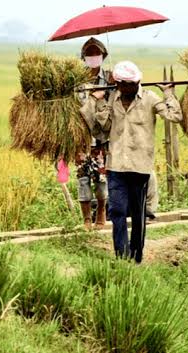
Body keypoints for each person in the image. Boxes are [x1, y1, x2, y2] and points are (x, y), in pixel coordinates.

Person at [81, 61, 182, 263]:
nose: (130, 88)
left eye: (134, 83)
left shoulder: (150, 99)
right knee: (116, 211)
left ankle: (136, 255)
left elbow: (175, 116)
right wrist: (96, 99)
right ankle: (122, 256)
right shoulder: (111, 100)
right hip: (116, 165)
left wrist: (168, 93)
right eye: (125, 84)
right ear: (117, 84)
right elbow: (98, 127)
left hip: (140, 166)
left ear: (138, 82)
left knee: (138, 213)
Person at [75, 37, 111, 230]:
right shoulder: (76, 80)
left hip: (101, 140)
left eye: (96, 54)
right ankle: (87, 218)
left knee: (101, 179)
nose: (93, 57)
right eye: (89, 54)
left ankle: (102, 213)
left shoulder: (110, 79)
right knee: (82, 179)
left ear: (103, 56)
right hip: (81, 139)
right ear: (83, 58)